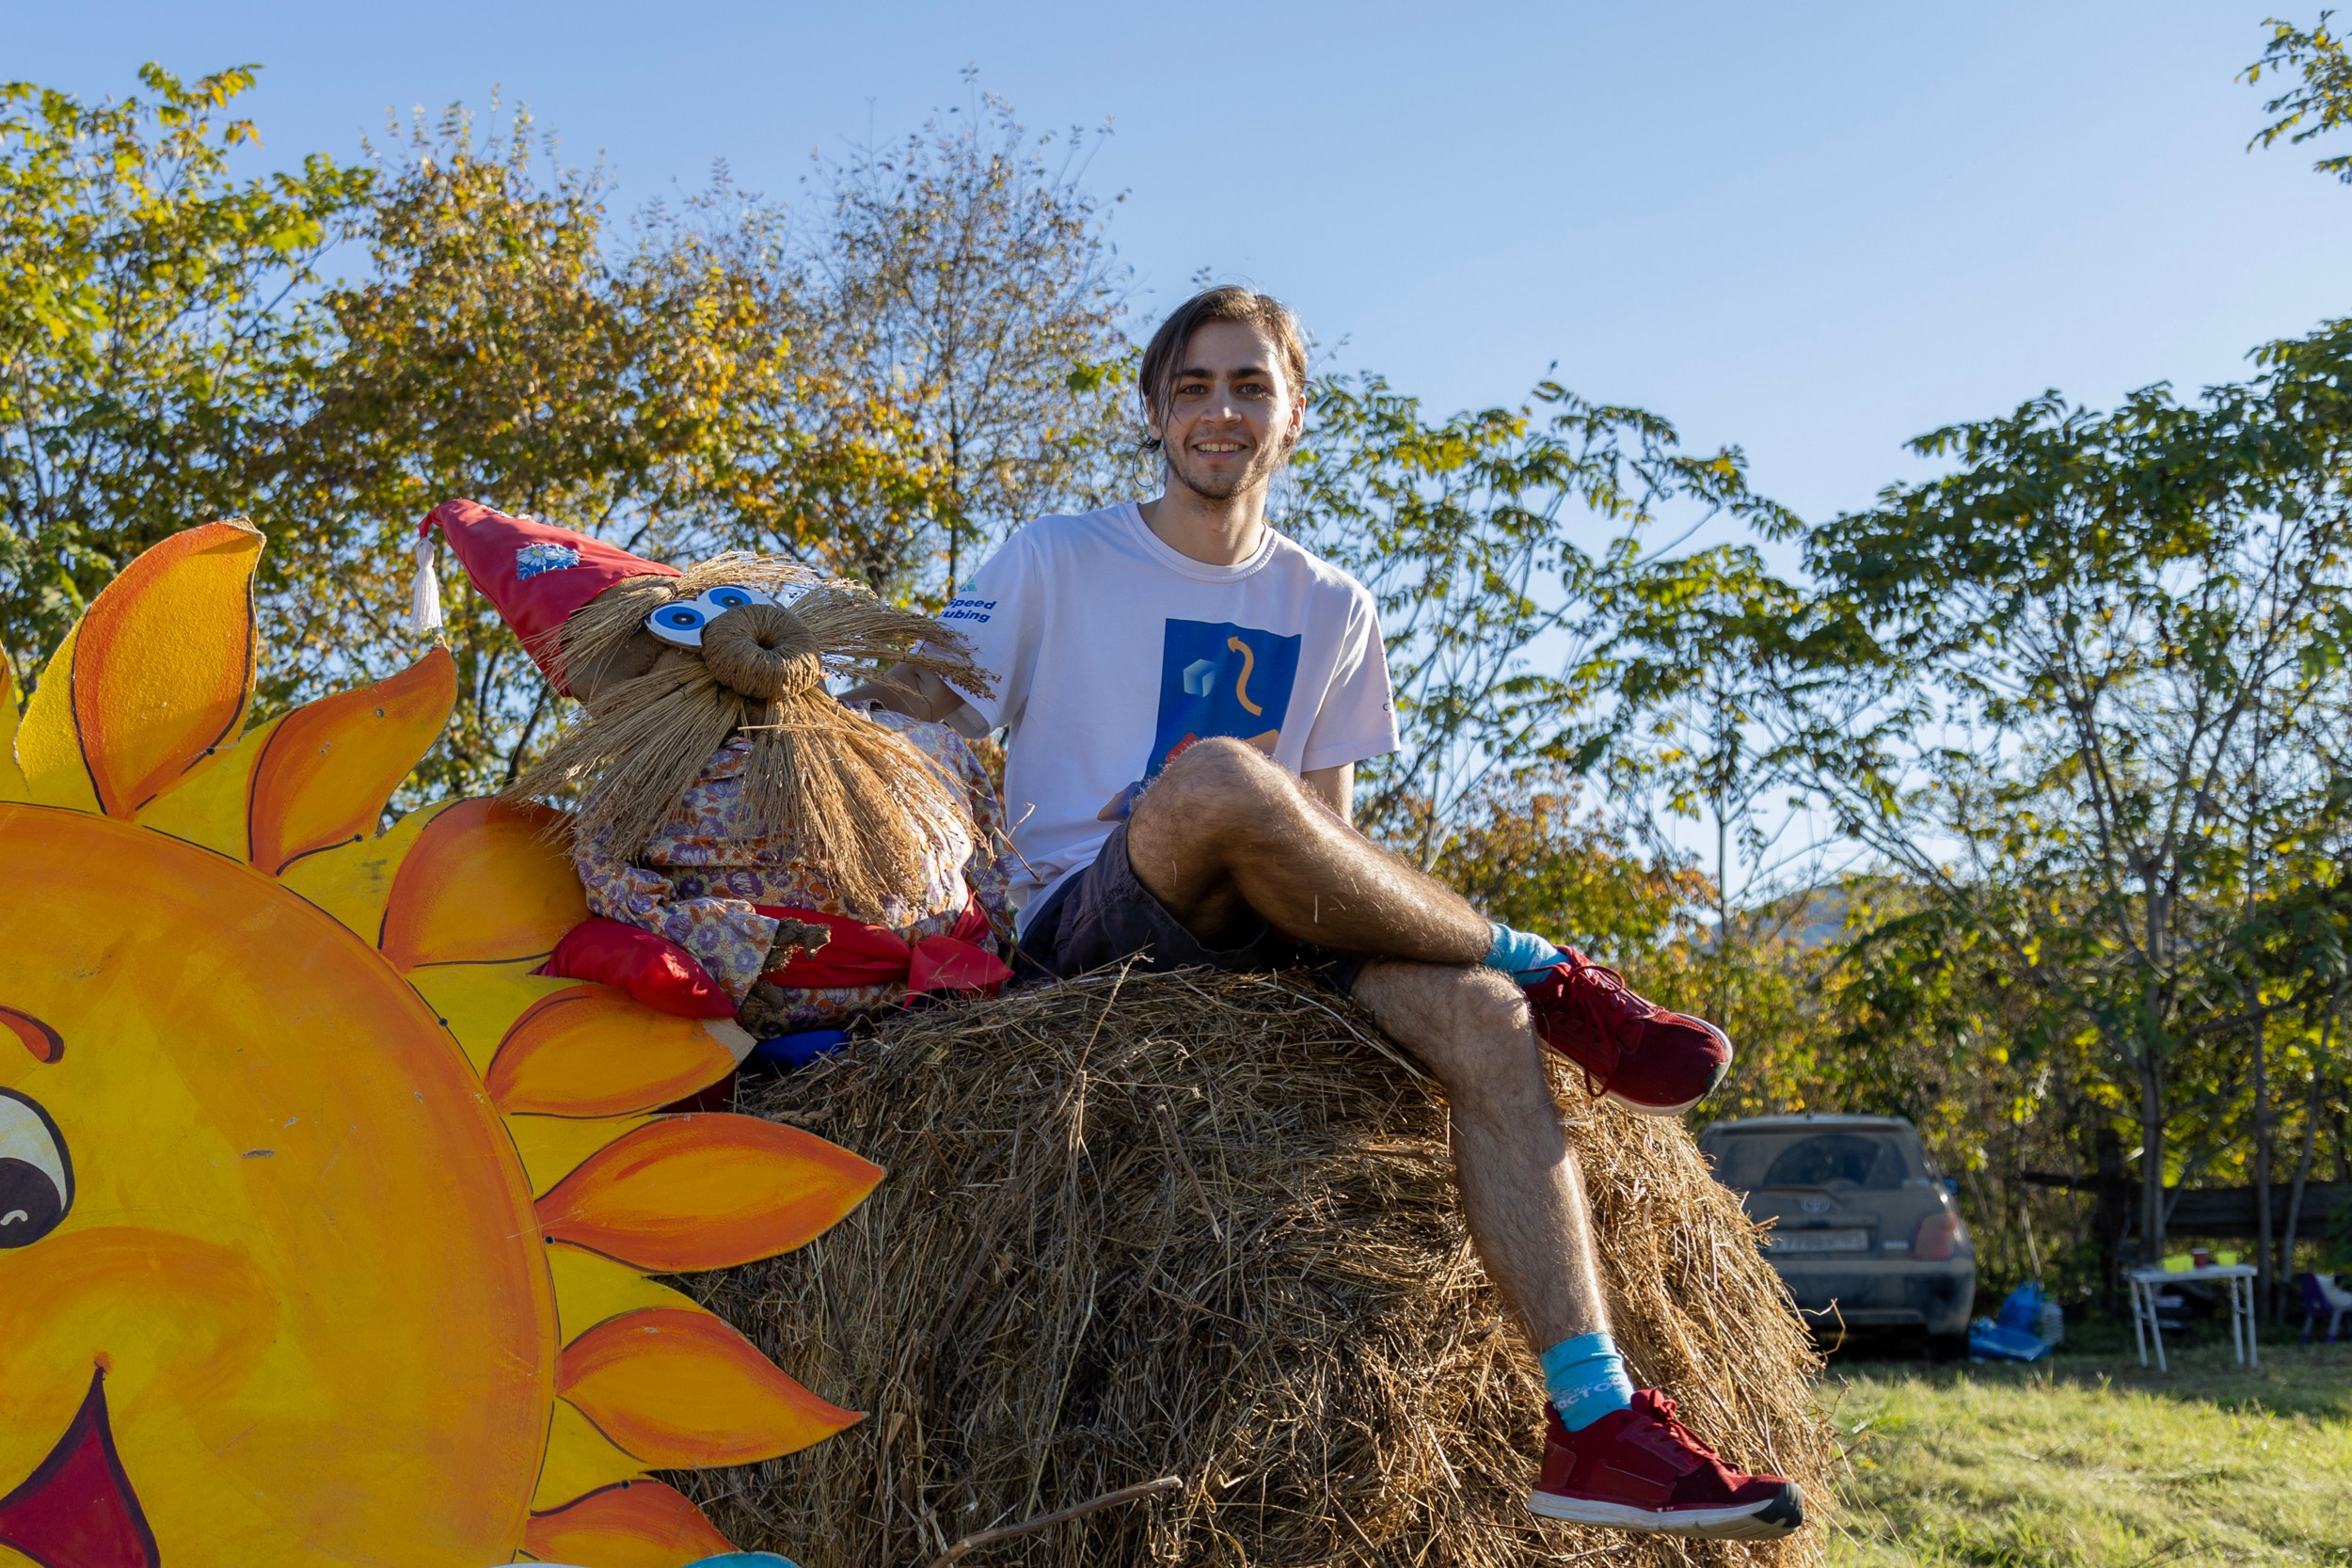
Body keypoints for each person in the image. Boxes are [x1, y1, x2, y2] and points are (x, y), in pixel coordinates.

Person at [853, 287, 1804, 1541]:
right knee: (1221, 776)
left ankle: (1596, 1417)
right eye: (1193, 386)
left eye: (1250, 386)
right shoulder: (1054, 559)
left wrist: (1402, 945)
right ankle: (1548, 968)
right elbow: (915, 716)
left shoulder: (1333, 605)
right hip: (1088, 917)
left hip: (1270, 929)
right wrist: (919, 840)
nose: (1219, 411)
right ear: (1151, 412)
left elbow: (1332, 842)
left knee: (1471, 1014)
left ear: (1295, 414)